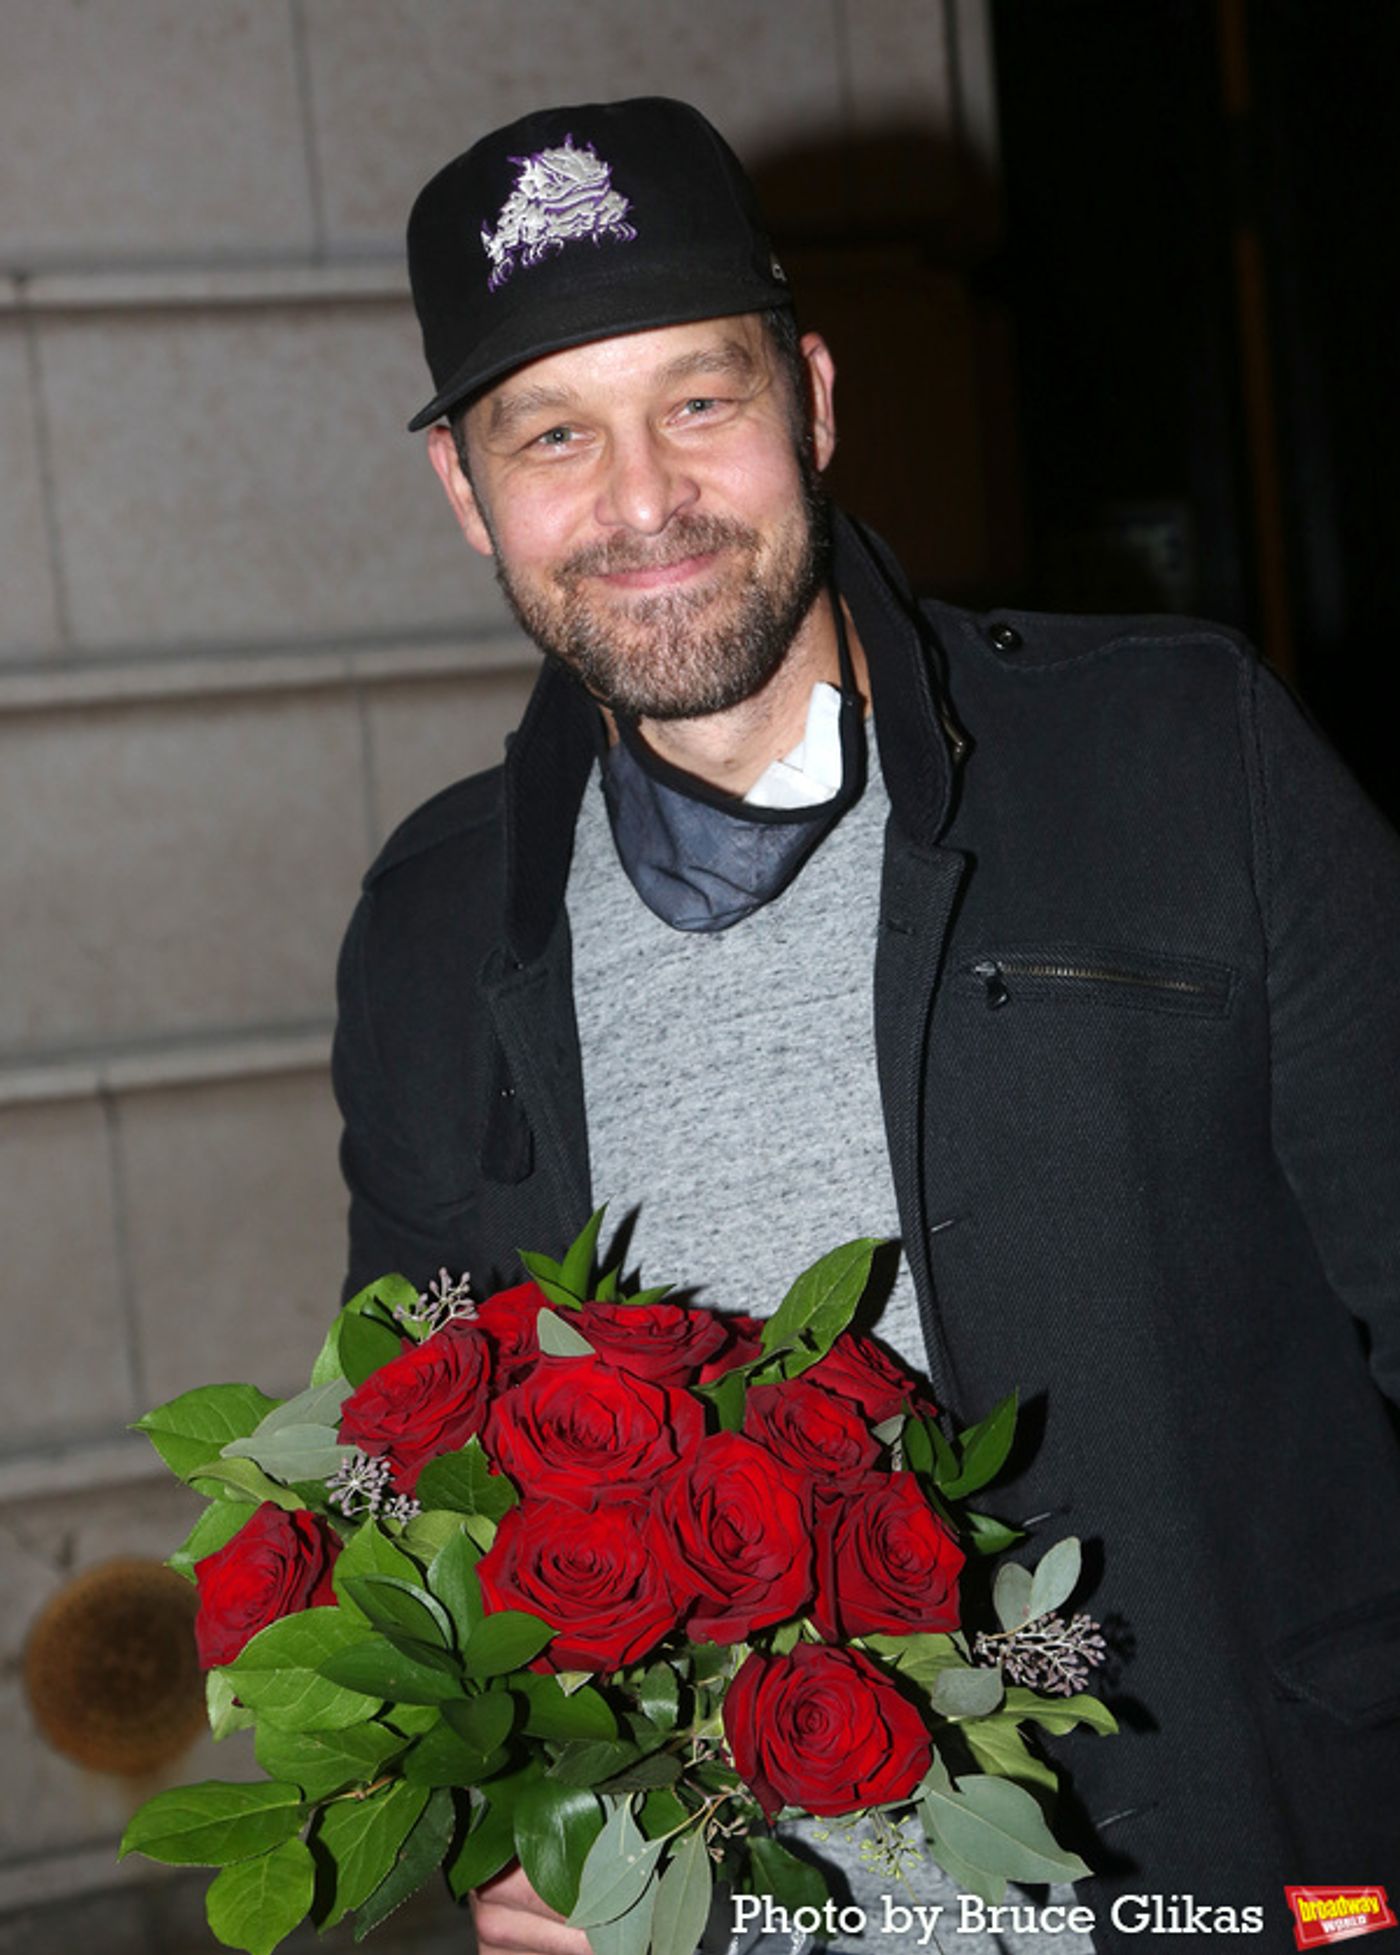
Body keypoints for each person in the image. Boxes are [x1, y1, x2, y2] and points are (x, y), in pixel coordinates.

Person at [333, 97, 1400, 1955]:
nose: (642, 498)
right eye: (555, 434)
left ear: (812, 400)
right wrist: (512, 1816)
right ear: (464, 489)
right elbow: (422, 1495)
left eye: (702, 399)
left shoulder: (1182, 755)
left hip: (1241, 1870)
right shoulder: (431, 931)